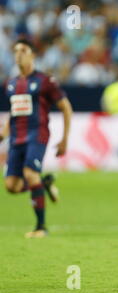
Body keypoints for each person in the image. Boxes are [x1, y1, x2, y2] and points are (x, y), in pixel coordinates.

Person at [0, 38, 73, 238]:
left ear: (32, 54)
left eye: (23, 50)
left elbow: (65, 107)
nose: (18, 54)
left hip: (37, 134)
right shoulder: (11, 83)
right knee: (11, 186)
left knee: (30, 174)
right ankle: (44, 184)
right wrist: (4, 132)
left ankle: (41, 227)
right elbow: (13, 112)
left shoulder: (45, 81)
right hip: (16, 138)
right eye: (15, 50)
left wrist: (65, 138)